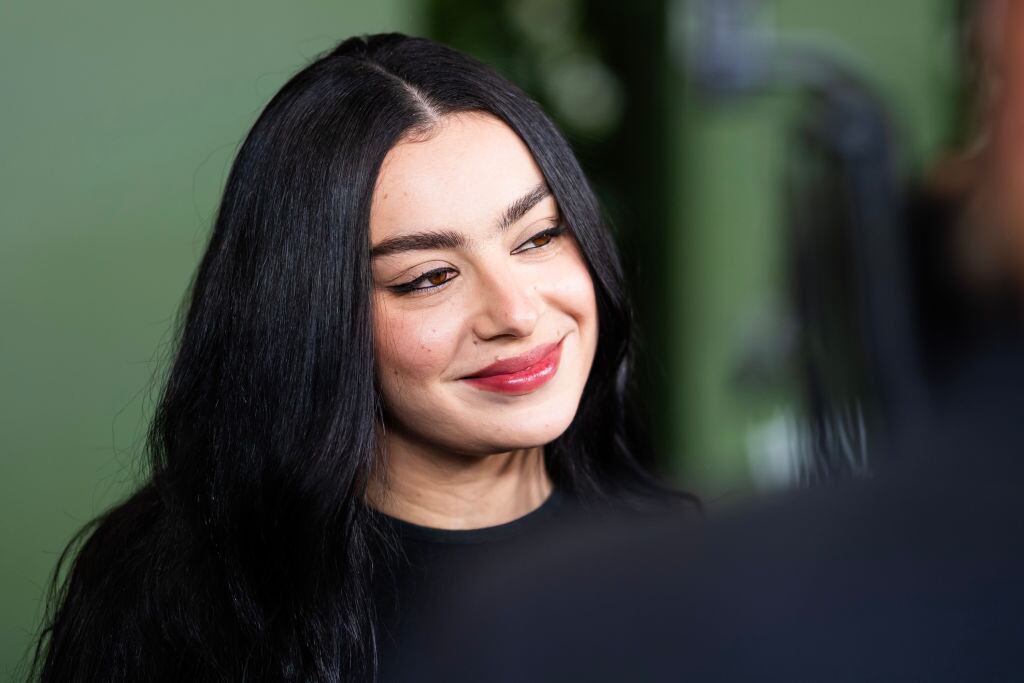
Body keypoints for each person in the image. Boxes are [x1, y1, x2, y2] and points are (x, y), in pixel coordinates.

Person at [27, 33, 690, 682]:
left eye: (540, 235)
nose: (516, 313)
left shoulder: (688, 566)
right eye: (428, 277)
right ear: (316, 317)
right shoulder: (182, 607)